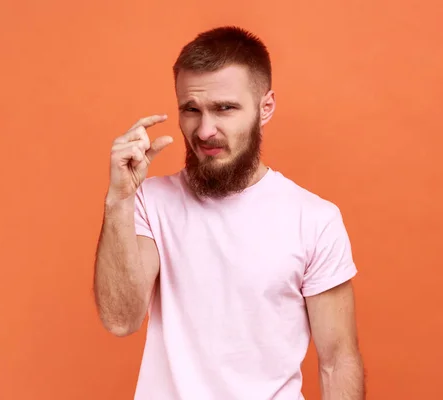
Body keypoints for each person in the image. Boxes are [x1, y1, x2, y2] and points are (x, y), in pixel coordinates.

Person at [93, 26, 364, 400]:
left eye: (225, 108)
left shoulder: (314, 219)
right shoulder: (147, 201)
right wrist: (117, 200)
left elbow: (337, 360)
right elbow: (121, 320)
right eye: (191, 110)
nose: (205, 130)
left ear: (264, 108)